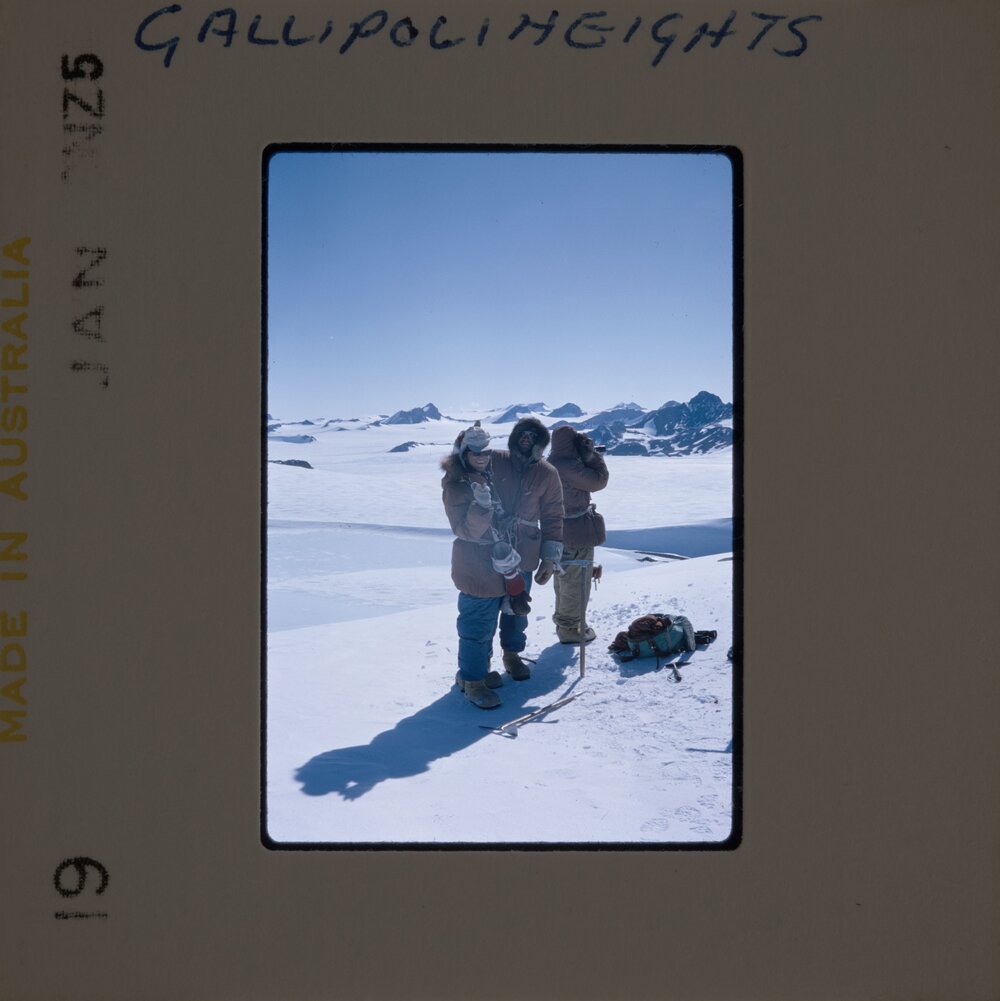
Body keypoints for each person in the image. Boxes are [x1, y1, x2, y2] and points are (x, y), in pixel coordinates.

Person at [440, 418, 564, 709]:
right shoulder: (493, 460)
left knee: (515, 613)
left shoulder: (547, 473)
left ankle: (511, 655)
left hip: (522, 556)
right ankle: (473, 678)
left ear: (541, 443)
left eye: (533, 438)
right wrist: (462, 445)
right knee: (478, 621)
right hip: (479, 561)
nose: (526, 441)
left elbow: (553, 514)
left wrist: (550, 555)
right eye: (522, 435)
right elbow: (460, 471)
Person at [547, 425, 610, 645]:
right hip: (576, 532)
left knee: (564, 579)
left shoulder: (551, 462)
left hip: (557, 531)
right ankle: (569, 629)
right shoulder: (568, 466)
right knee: (576, 581)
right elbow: (599, 480)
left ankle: (565, 623)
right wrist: (592, 456)